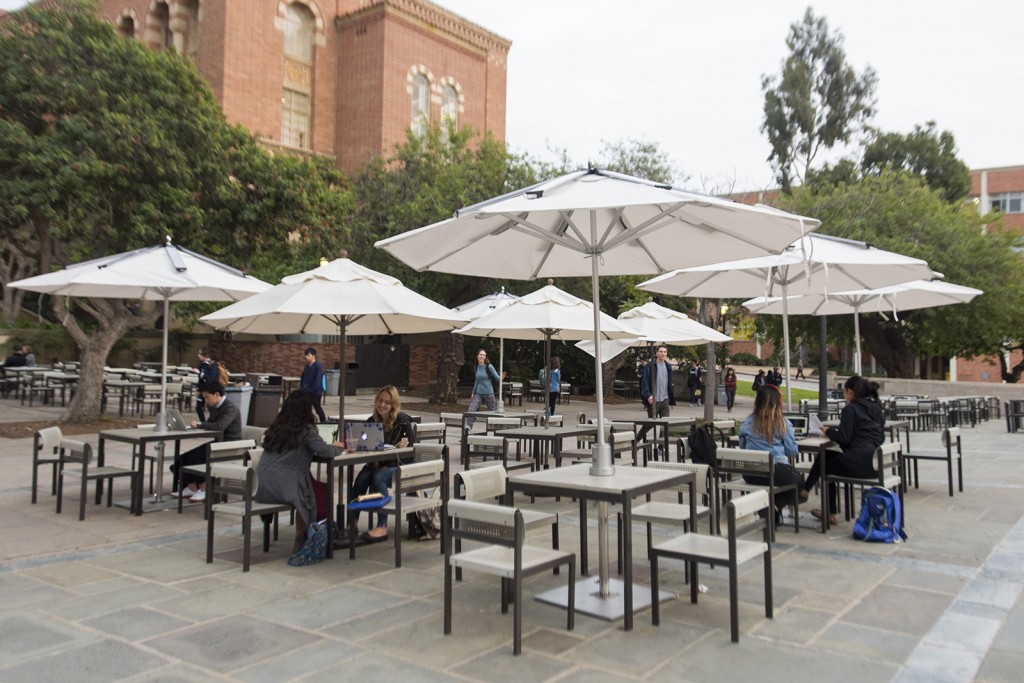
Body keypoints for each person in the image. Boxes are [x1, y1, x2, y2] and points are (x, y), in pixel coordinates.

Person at [255, 391, 342, 554]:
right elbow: (326, 451)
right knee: (312, 491)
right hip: (285, 487)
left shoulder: (275, 428)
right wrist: (339, 446)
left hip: (261, 486)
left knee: (308, 484)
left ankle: (301, 534)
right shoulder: (306, 430)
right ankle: (301, 536)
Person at [801, 375, 886, 525]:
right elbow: (879, 437)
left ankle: (828, 510)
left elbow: (844, 438)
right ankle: (806, 490)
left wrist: (827, 431)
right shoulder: (876, 408)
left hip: (858, 463)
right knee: (826, 454)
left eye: (844, 391)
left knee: (825, 466)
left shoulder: (850, 409)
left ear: (850, 392)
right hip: (875, 465)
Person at [349, 385, 415, 542]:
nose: (382, 405)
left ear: (393, 405)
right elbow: (366, 448)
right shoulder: (371, 422)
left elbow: (409, 454)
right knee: (361, 478)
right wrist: (356, 448)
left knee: (378, 477)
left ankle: (382, 525)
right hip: (375, 464)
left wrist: (397, 449)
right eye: (380, 401)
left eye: (387, 402)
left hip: (398, 465)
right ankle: (353, 522)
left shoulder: (402, 422)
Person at [739, 385, 804, 524]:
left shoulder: (746, 422)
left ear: (757, 402)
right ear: (779, 402)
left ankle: (771, 512)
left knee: (782, 480)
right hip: (774, 470)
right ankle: (775, 506)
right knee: (800, 483)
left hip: (750, 473)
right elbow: (792, 451)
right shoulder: (783, 423)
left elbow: (742, 447)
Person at [170, 381, 243, 502]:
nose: (206, 400)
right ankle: (190, 487)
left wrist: (200, 424)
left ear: (216, 394)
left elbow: (220, 426)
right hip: (218, 442)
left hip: (230, 445)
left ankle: (204, 489)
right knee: (182, 458)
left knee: (196, 458)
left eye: (207, 397)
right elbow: (210, 423)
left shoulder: (231, 408)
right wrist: (197, 427)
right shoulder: (214, 407)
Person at [639, 345, 675, 445]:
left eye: (665, 352)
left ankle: (661, 446)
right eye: (661, 351)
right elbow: (644, 382)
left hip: (665, 399)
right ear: (657, 353)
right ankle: (637, 438)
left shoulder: (668, 366)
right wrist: (648, 395)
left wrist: (671, 400)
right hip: (653, 400)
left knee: (665, 424)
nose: (663, 353)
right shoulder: (650, 365)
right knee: (651, 423)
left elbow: (669, 383)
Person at [465, 349, 501, 428]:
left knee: (493, 414)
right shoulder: (476, 367)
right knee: (471, 410)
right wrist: (473, 392)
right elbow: (477, 380)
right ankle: (468, 428)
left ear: (485, 357)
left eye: (484, 355)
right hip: (479, 393)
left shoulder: (489, 366)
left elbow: (497, 378)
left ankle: (495, 431)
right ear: (477, 356)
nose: (482, 356)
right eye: (481, 354)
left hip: (489, 394)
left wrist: (502, 377)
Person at [299, 347, 327, 423]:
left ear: (313, 355)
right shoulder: (307, 367)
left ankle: (323, 421)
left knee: (317, 408)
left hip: (315, 392)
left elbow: (318, 380)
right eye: (306, 355)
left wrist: (312, 389)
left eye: (308, 355)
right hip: (307, 391)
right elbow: (303, 378)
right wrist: (302, 388)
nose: (307, 357)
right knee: (306, 408)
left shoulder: (318, 366)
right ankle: (306, 422)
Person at [194, 348, 216, 421]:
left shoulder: (212, 365)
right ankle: (203, 422)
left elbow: (211, 378)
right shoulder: (202, 364)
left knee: (211, 407)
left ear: (205, 355)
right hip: (202, 389)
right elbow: (200, 379)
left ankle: (212, 422)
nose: (198, 355)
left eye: (200, 354)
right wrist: (198, 389)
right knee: (198, 407)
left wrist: (200, 373)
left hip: (209, 389)